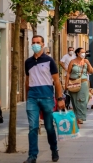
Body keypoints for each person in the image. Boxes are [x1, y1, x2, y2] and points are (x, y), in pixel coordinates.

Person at [24, 35, 65, 163]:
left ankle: (54, 149)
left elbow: (57, 81)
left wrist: (59, 98)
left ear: (43, 44)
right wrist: (27, 96)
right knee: (32, 127)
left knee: (49, 127)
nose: (35, 45)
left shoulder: (49, 61)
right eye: (33, 43)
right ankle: (32, 156)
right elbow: (27, 80)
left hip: (47, 97)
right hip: (32, 98)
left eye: (38, 42)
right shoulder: (28, 62)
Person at [65, 47, 93, 126]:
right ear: (77, 53)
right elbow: (68, 73)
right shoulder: (72, 62)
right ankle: (77, 117)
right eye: (82, 52)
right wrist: (66, 84)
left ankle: (80, 117)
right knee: (74, 101)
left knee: (82, 100)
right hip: (73, 83)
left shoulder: (86, 61)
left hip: (83, 83)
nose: (83, 54)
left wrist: (88, 63)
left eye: (84, 52)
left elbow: (91, 71)